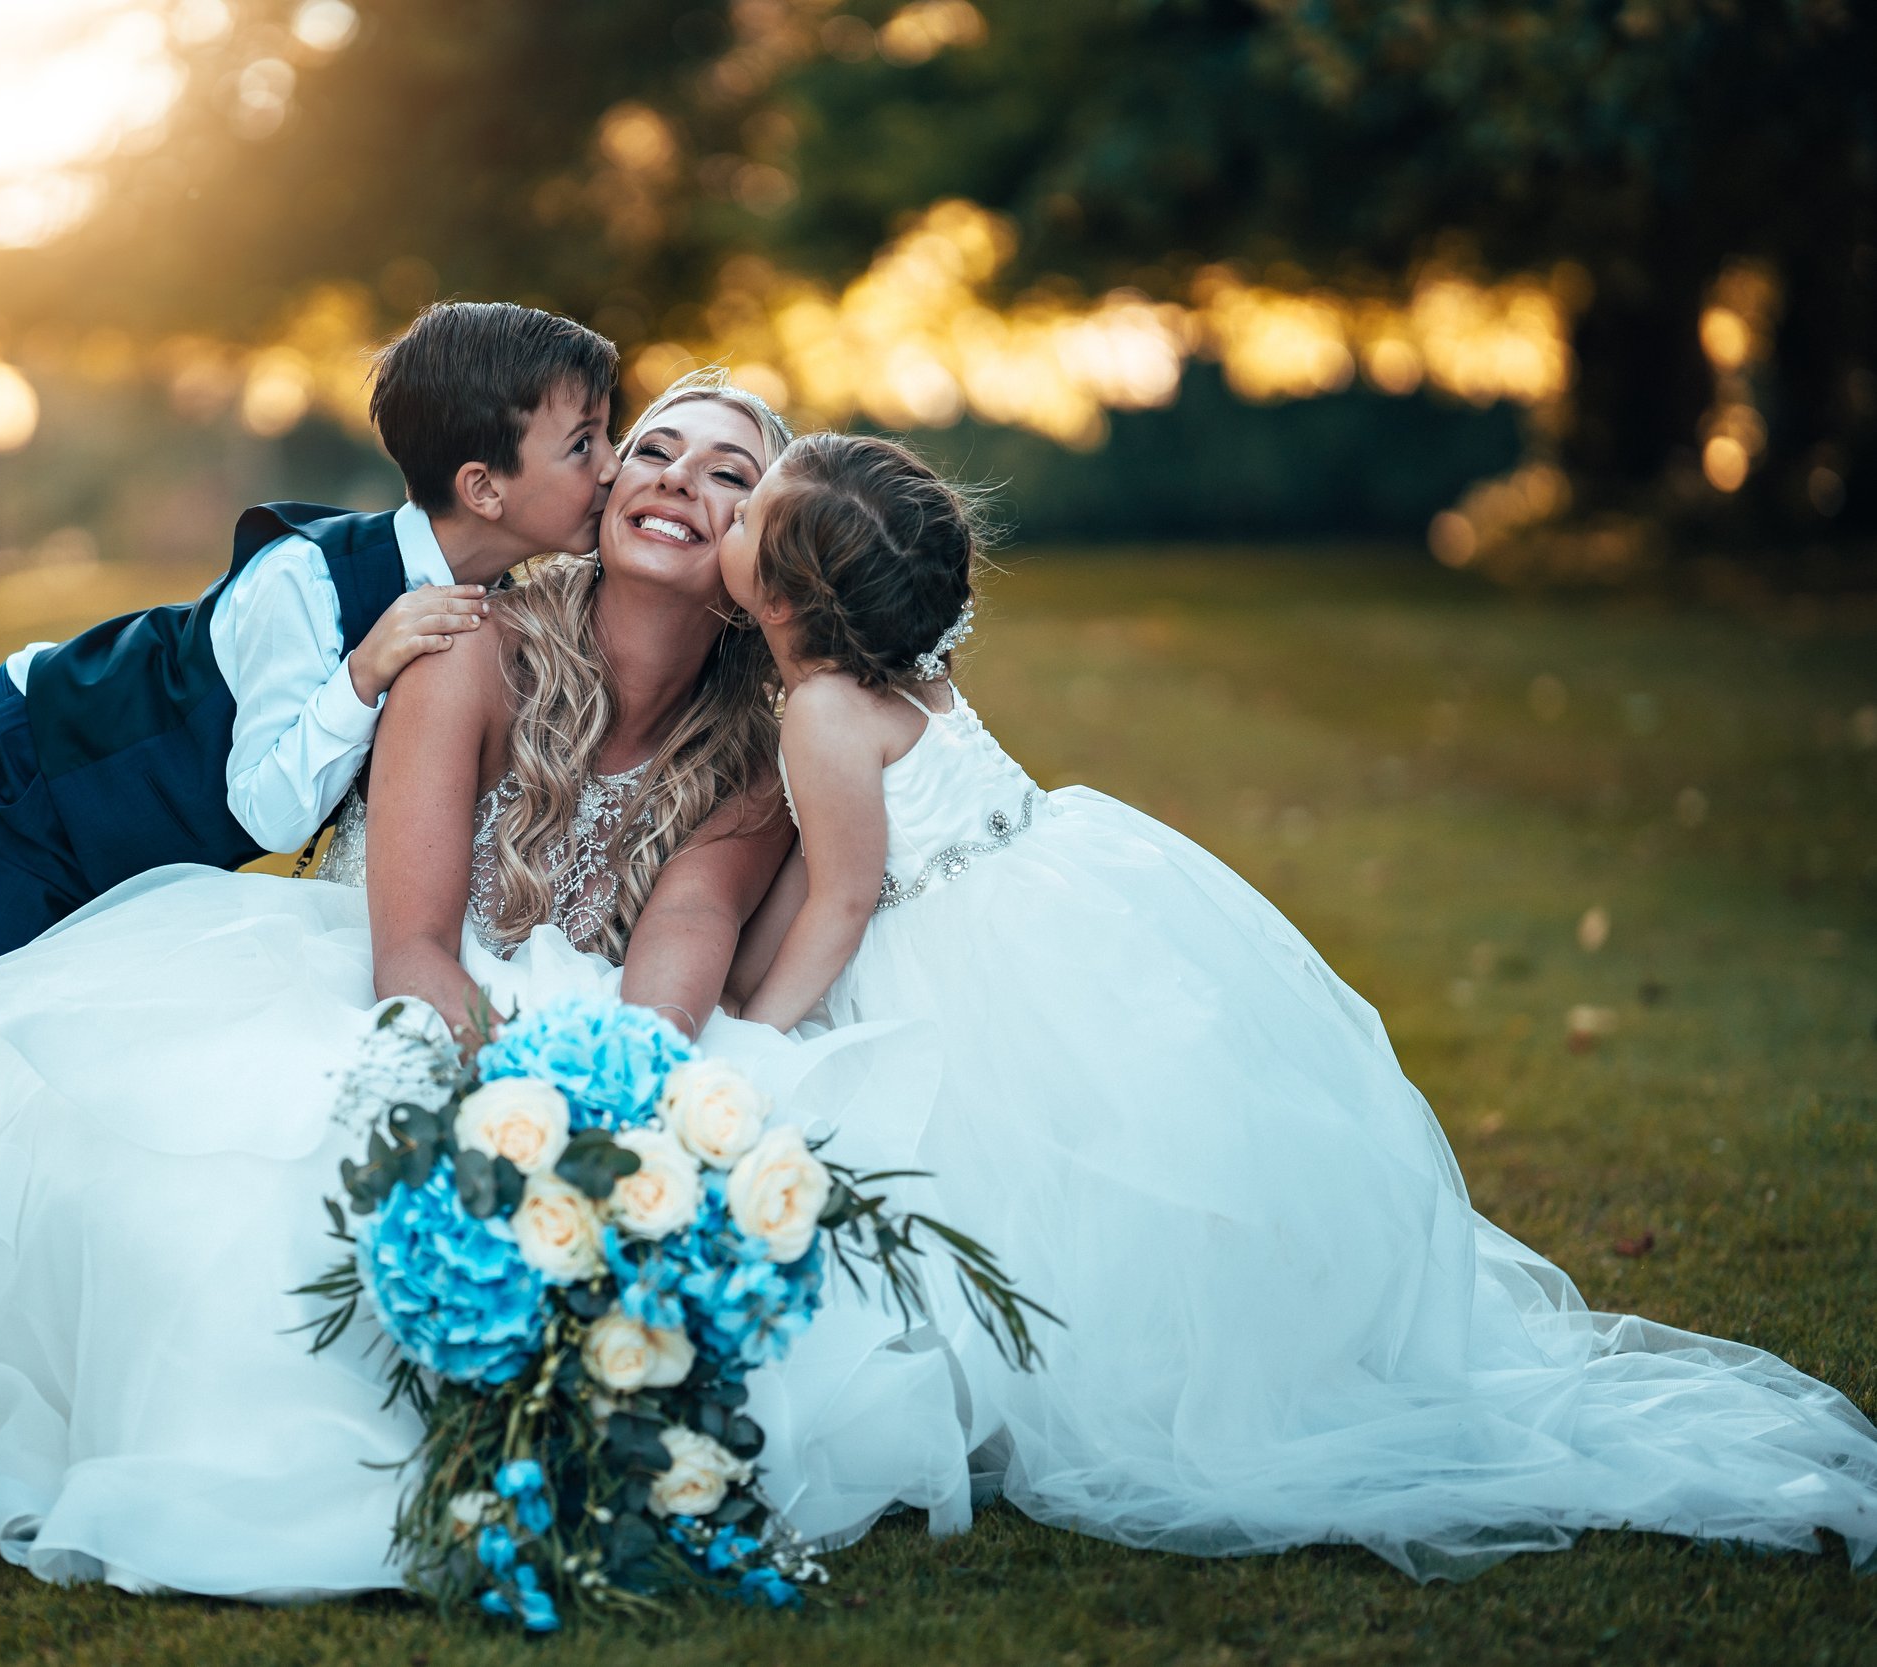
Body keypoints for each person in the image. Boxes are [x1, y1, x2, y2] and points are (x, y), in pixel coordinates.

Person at [0, 375, 976, 1598]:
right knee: (231, 1198)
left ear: (764, 547)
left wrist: (627, 1116)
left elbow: (690, 922)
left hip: (573, 1011)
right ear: (602, 486)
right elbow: (412, 941)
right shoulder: (465, 639)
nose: (678, 481)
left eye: (732, 473)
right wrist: (480, 1098)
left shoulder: (763, 737)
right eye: (653, 447)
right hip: (373, 979)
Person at [717, 430, 1877, 1577]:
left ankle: (1065, 1384)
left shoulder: (822, 711)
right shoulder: (898, 671)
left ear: (784, 599)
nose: (730, 514)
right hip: (1048, 897)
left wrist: (748, 1036)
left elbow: (841, 899)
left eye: (748, 512)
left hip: (959, 956)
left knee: (1007, 1171)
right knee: (1081, 1174)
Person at [0, 301, 620, 1037]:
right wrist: (362, 675)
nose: (615, 467)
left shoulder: (502, 606)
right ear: (483, 487)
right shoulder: (304, 580)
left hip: (143, 828)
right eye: (584, 445)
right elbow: (269, 812)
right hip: (35, 769)